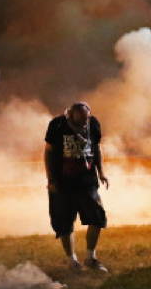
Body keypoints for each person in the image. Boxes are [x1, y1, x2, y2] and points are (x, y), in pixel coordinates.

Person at [44, 101, 110, 272]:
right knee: (64, 222)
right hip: (62, 183)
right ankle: (72, 260)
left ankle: (91, 257)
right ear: (71, 115)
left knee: (98, 217)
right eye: (80, 119)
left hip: (87, 182)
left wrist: (101, 172)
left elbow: (96, 148)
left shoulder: (93, 123)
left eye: (86, 118)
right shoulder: (57, 125)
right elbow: (48, 152)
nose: (83, 122)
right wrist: (51, 180)